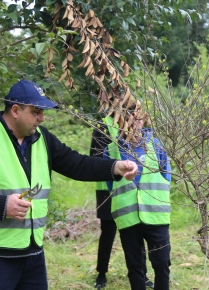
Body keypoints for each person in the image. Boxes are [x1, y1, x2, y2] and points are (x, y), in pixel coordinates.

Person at [0, 80, 138, 290]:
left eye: (43, 112)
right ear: (16, 110)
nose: (42, 118)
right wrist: (1, 205)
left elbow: (76, 164)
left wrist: (115, 167)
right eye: (36, 112)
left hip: (32, 255)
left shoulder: (42, 138)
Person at [103, 108, 172, 290]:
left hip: (156, 216)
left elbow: (167, 177)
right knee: (134, 267)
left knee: (162, 264)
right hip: (128, 218)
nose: (134, 123)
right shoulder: (110, 151)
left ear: (144, 121)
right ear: (119, 122)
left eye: (138, 119)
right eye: (128, 119)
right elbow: (110, 186)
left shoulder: (157, 146)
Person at [90, 115, 154, 289]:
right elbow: (94, 157)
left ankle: (143, 274)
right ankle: (101, 274)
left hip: (132, 187)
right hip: (107, 188)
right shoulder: (103, 125)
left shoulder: (135, 121)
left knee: (137, 232)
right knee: (108, 233)